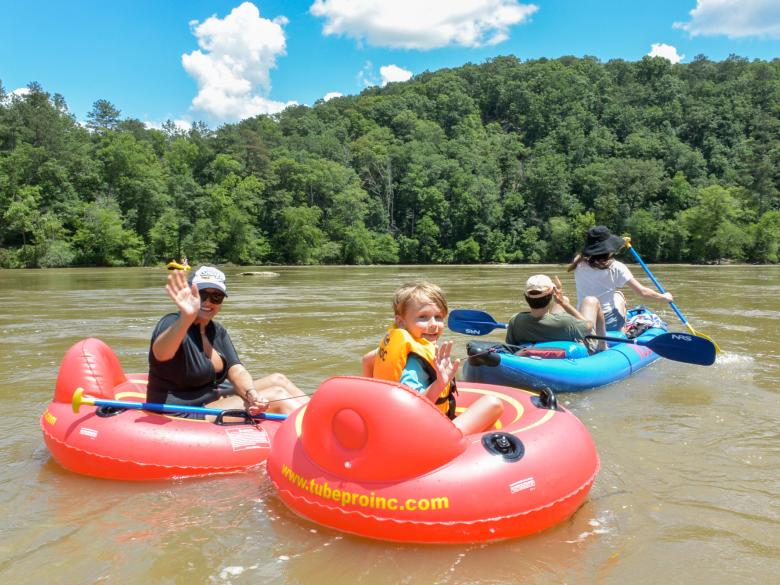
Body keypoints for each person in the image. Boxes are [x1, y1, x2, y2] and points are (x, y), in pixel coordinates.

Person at [147, 266, 309, 420]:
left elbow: (236, 370)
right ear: (190, 294)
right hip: (181, 410)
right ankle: (319, 431)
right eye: (202, 295)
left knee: (278, 380)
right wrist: (186, 318)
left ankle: (327, 419)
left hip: (210, 399)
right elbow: (161, 353)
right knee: (277, 395)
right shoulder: (173, 323)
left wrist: (251, 394)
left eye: (216, 297)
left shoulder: (216, 330)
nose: (208, 302)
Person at [362, 282, 503, 435]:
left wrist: (374, 400)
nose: (433, 324)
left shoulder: (396, 344)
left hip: (397, 423)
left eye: (438, 317)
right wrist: (439, 383)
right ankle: (455, 440)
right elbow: (413, 407)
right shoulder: (413, 362)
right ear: (401, 322)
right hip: (423, 434)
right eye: (423, 317)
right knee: (493, 403)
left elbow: (366, 359)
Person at [568, 226, 673, 332]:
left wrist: (621, 243)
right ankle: (621, 329)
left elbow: (594, 253)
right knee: (619, 296)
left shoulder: (578, 261)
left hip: (583, 317)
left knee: (615, 295)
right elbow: (643, 292)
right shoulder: (616, 267)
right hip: (607, 321)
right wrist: (665, 297)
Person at [506, 274, 607, 351]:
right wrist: (563, 303)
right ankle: (603, 347)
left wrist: (563, 301)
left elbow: (510, 347)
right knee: (591, 301)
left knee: (565, 299)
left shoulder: (515, 320)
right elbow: (589, 326)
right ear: (551, 296)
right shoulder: (566, 322)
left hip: (534, 351)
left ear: (526, 297)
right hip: (572, 350)